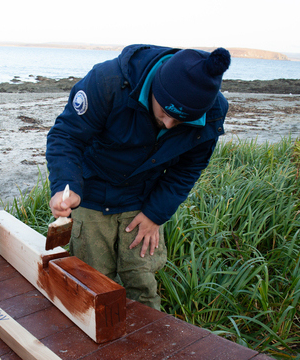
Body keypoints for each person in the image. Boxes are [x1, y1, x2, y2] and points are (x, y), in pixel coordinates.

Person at [45, 44, 230, 310]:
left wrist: (156, 214)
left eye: (179, 123)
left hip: (143, 200)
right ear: (155, 88)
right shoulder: (107, 81)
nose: (168, 125)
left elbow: (187, 169)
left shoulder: (211, 114)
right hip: (91, 193)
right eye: (165, 113)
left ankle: (148, 347)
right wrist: (66, 187)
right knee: (91, 284)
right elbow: (67, 135)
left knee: (142, 283)